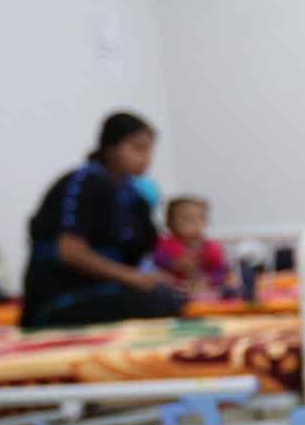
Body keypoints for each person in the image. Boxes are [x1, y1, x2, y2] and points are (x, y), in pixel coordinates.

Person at [21, 111, 184, 330]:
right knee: (158, 304)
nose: (147, 157)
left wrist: (162, 275)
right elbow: (70, 251)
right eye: (138, 148)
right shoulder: (82, 183)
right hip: (63, 298)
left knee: (172, 296)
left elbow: (140, 256)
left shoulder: (135, 196)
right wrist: (132, 277)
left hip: (108, 291)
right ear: (110, 148)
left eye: (150, 150)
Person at [154, 196, 230, 296]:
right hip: (173, 286)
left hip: (202, 287)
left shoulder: (211, 247)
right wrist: (173, 263)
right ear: (169, 223)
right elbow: (157, 259)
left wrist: (210, 280)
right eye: (186, 218)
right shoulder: (165, 244)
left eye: (200, 218)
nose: (193, 223)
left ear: (205, 222)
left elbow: (221, 269)